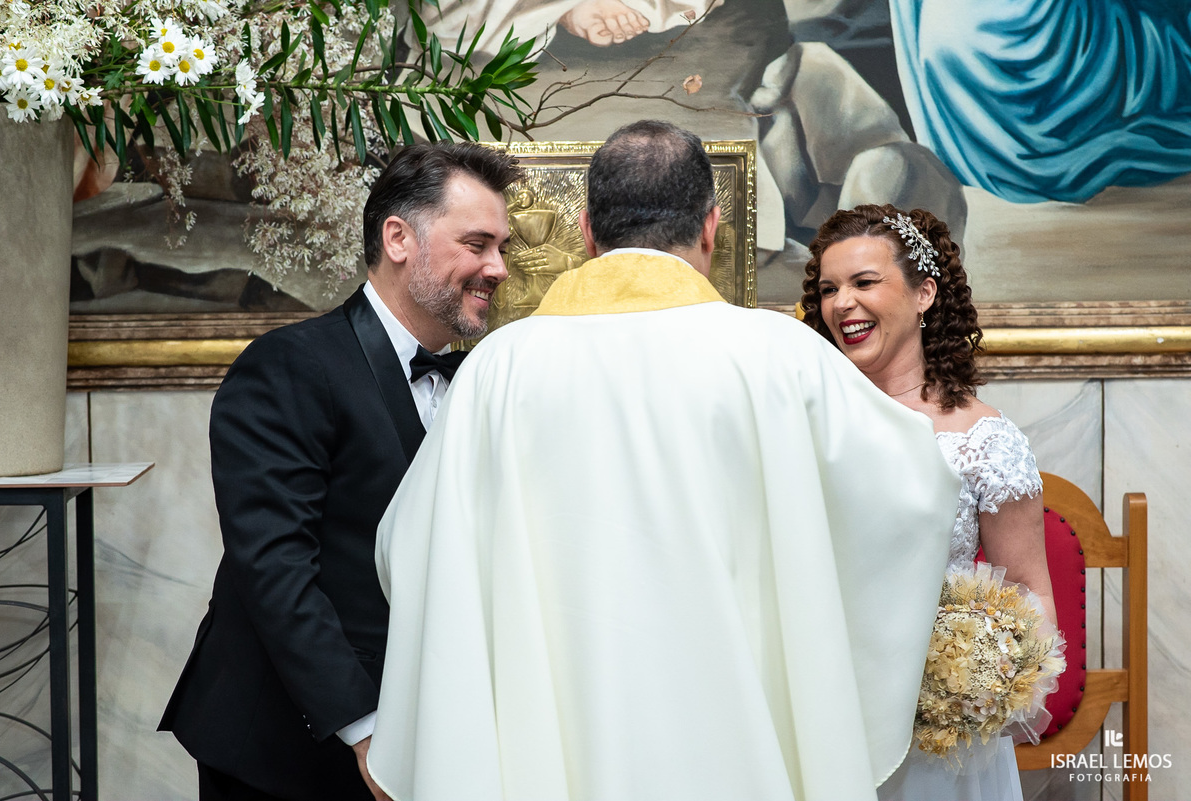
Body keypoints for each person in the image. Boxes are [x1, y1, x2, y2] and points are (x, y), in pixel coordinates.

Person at [364, 120, 962, 801]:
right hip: (738, 753)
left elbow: (407, 545)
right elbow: (913, 495)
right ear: (711, 228)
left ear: (588, 233)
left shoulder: (498, 370)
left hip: (552, 757)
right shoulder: (780, 356)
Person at [158, 142, 523, 801]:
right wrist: (368, 729)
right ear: (398, 237)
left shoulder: (484, 379)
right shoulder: (286, 366)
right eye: (477, 243)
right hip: (287, 751)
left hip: (428, 734)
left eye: (502, 246)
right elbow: (275, 568)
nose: (497, 267)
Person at [800, 203, 1060, 801]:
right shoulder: (804, 426)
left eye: (865, 283)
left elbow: (1027, 587)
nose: (842, 304)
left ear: (924, 293)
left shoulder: (983, 440)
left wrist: (984, 684)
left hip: (935, 736)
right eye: (829, 289)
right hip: (821, 709)